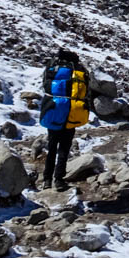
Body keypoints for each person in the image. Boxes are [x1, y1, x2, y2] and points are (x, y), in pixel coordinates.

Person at [39, 47, 90, 191]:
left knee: (52, 147)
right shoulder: (78, 69)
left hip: (54, 109)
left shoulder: (53, 66)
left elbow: (45, 85)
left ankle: (46, 179)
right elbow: (86, 91)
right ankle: (59, 179)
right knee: (64, 148)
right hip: (72, 111)